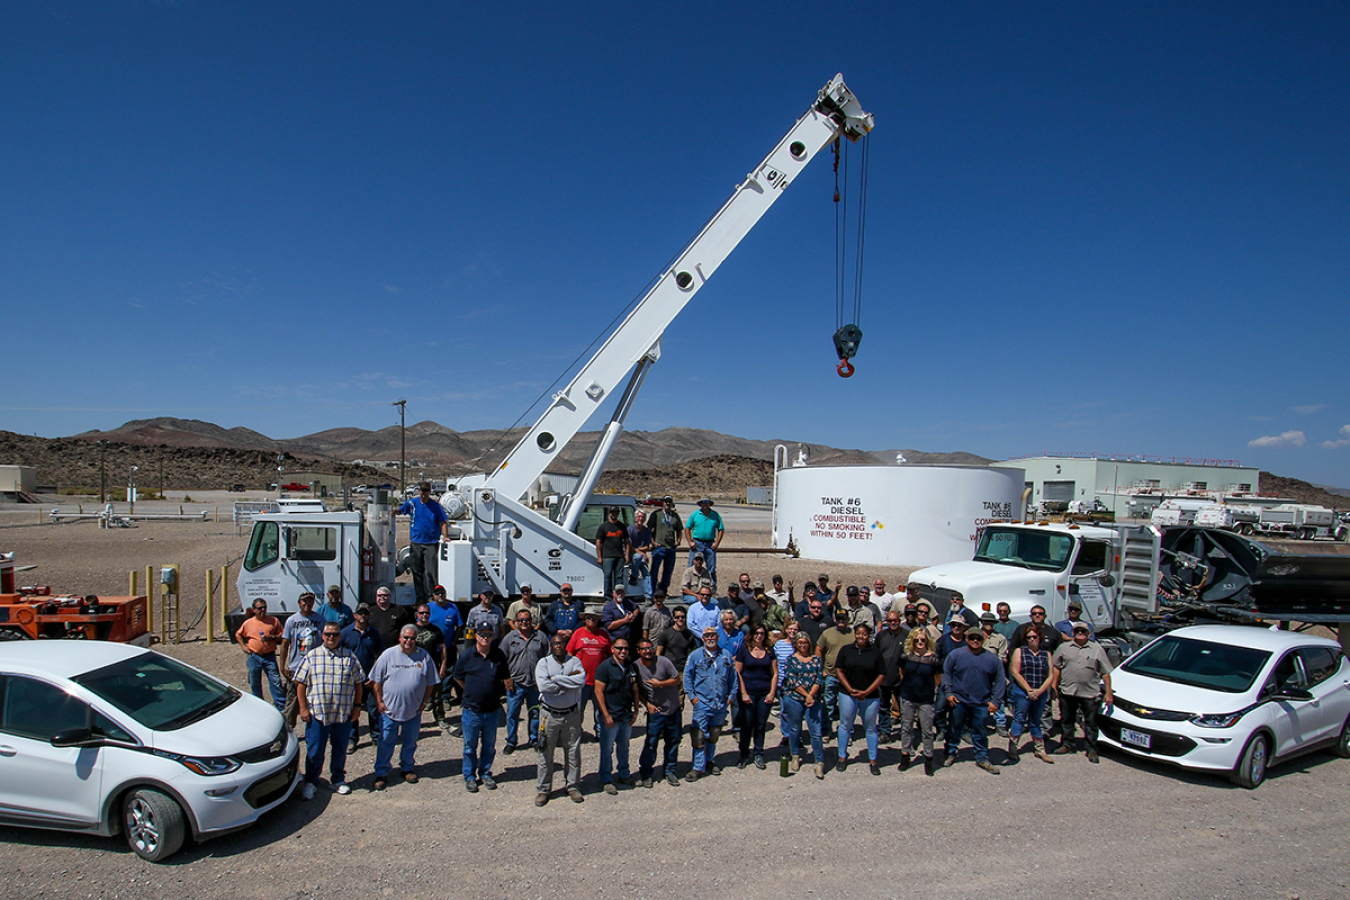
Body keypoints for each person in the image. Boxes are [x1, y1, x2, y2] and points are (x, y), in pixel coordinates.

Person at [294, 623, 365, 798]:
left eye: (334, 634)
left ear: (340, 637)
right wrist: (303, 708)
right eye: (328, 634)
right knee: (315, 750)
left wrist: (357, 707)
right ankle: (311, 782)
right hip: (318, 713)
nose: (331, 637)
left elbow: (358, 683)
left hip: (342, 713)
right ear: (322, 636)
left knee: (340, 749)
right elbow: (300, 684)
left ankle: (338, 779)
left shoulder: (349, 657)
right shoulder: (312, 656)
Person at [369, 624, 438, 790]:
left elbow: (431, 682)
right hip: (389, 711)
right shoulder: (388, 655)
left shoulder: (424, 657)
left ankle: (407, 768)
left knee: (410, 742)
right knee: (386, 742)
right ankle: (382, 773)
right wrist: (379, 701)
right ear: (400, 638)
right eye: (406, 638)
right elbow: (376, 681)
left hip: (413, 711)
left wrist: (424, 703)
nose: (409, 641)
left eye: (412, 638)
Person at [453, 627, 511, 792]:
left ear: (493, 636)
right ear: (476, 636)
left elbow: (503, 676)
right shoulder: (467, 655)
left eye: (489, 635)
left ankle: (485, 773)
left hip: (492, 710)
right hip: (472, 710)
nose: (485, 637)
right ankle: (469, 776)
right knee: (470, 746)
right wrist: (471, 689)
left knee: (489, 745)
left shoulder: (498, 655)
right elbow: (457, 677)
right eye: (482, 634)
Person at [942, 627, 1006, 774]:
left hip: (982, 702)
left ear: (983, 639)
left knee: (980, 730)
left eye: (978, 638)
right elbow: (947, 674)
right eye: (972, 638)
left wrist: (996, 701)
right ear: (967, 639)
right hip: (959, 701)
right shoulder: (956, 655)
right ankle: (950, 753)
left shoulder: (992, 659)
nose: (975, 641)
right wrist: (948, 692)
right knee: (954, 729)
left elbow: (1000, 681)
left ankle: (982, 757)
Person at [535, 633, 587, 806]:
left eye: (561, 643)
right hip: (549, 715)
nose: (558, 646)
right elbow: (543, 686)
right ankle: (544, 789)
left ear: (566, 645)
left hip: (571, 715)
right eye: (555, 643)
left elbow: (580, 680)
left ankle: (572, 786)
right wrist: (568, 682)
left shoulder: (575, 662)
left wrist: (556, 679)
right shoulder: (543, 663)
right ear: (551, 646)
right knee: (545, 752)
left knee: (573, 751)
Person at [1051, 620, 1113, 763]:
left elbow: (1105, 672)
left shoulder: (1097, 649)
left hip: (1089, 692)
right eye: (1077, 631)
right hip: (1068, 690)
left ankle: (1091, 749)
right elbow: (1057, 667)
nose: (1080, 633)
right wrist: (1054, 685)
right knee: (1067, 719)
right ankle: (1067, 744)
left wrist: (1108, 692)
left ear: (1088, 634)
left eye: (1083, 631)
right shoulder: (1064, 648)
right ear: (1072, 633)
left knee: (1090, 722)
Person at [683, 627, 734, 781]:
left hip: (720, 703)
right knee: (698, 735)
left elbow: (733, 678)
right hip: (702, 703)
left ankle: (710, 760)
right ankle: (698, 767)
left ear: (718, 637)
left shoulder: (726, 656)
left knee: (714, 734)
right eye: (706, 636)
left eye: (712, 635)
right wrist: (692, 697)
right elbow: (687, 677)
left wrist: (731, 696)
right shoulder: (695, 656)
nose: (709, 638)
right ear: (703, 638)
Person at [835, 623, 885, 775]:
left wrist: (867, 691)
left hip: (869, 696)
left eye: (864, 634)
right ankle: (842, 757)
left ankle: (873, 760)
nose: (861, 636)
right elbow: (839, 670)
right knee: (845, 725)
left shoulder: (875, 652)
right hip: (847, 694)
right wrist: (850, 689)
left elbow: (881, 675)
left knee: (870, 728)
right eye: (858, 633)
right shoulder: (846, 650)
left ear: (868, 635)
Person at [593, 639, 641, 794]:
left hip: (626, 714)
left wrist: (636, 710)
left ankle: (624, 774)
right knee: (607, 749)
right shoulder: (604, 668)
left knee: (624, 747)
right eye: (619, 648)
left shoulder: (631, 666)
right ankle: (606, 779)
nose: (623, 651)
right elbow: (598, 691)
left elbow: (634, 688)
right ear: (612, 649)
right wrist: (605, 715)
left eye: (625, 648)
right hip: (611, 716)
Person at [501, 610, 548, 756]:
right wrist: (506, 678)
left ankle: (533, 739)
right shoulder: (510, 638)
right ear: (516, 622)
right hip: (515, 683)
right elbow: (501, 659)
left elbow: (547, 659)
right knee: (512, 714)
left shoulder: (540, 637)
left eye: (526, 620)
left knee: (534, 712)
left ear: (531, 620)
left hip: (534, 684)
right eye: (520, 620)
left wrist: (541, 680)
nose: (524, 623)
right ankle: (511, 741)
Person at [636, 638, 682, 787]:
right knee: (651, 742)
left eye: (650, 648)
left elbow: (676, 680)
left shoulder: (664, 662)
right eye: (644, 649)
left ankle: (670, 771)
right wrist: (646, 704)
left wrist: (660, 684)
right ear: (638, 651)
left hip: (673, 708)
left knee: (673, 741)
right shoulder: (635, 667)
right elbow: (636, 690)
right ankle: (646, 773)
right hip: (656, 711)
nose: (648, 651)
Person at [897, 628, 942, 776]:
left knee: (927, 730)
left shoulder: (934, 659)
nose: (920, 643)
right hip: (908, 696)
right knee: (906, 727)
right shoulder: (906, 656)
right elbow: (901, 672)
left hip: (926, 699)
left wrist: (928, 689)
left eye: (923, 640)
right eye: (917, 640)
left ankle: (928, 758)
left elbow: (937, 679)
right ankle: (905, 756)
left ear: (927, 641)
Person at [1008, 626, 1056, 764]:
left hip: (1040, 692)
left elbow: (1050, 675)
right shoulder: (1020, 651)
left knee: (1036, 720)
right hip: (1023, 691)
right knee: (1019, 718)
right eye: (1029, 637)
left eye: (1035, 637)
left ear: (1040, 638)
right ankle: (1013, 748)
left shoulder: (1046, 654)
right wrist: (1029, 690)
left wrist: (1040, 691)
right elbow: (1015, 671)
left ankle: (1040, 749)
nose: (1032, 640)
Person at [781, 631, 826, 778]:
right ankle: (795, 755)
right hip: (794, 697)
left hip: (813, 699)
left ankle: (819, 762)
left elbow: (819, 678)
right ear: (796, 644)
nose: (803, 645)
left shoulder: (816, 660)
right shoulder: (791, 660)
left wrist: (811, 695)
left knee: (816, 731)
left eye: (805, 642)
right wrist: (806, 695)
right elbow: (792, 680)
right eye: (800, 642)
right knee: (795, 728)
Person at [279, 592, 326, 731]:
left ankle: (314, 728)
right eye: (304, 602)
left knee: (315, 697)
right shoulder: (292, 620)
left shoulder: (320, 620)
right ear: (299, 603)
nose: (307, 604)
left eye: (310, 602)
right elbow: (285, 643)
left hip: (315, 665)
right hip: (296, 666)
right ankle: (289, 728)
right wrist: (282, 665)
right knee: (292, 699)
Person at [397, 482, 449, 606]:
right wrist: (392, 512)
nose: (424, 493)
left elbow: (443, 522)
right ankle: (420, 598)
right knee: (417, 571)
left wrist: (445, 536)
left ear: (429, 492)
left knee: (430, 571)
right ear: (419, 491)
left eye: (426, 491)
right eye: (422, 491)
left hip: (431, 543)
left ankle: (431, 596)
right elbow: (401, 510)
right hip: (416, 542)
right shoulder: (412, 503)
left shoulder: (435, 506)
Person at [733, 625, 778, 769]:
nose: (759, 636)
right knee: (747, 725)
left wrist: (772, 693)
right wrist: (743, 693)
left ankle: (759, 753)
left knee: (761, 724)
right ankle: (744, 754)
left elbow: (775, 673)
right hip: (749, 693)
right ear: (751, 634)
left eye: (762, 633)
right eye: (756, 633)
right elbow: (738, 672)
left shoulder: (769, 651)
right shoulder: (744, 651)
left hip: (764, 693)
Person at [340, 605, 383, 752]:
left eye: (365, 613)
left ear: (369, 616)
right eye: (360, 613)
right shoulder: (345, 633)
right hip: (351, 679)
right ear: (355, 615)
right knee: (353, 709)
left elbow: (380, 656)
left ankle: (376, 736)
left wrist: (375, 676)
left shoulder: (374, 634)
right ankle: (352, 739)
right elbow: (339, 655)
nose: (363, 616)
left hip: (370, 678)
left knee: (373, 708)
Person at [565, 610, 612, 735]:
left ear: (598, 620)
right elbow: (569, 653)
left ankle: (600, 731)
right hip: (581, 679)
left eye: (594, 617)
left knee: (600, 708)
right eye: (588, 617)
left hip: (599, 679)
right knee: (579, 708)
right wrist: (570, 672)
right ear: (584, 619)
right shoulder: (578, 633)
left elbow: (611, 654)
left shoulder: (603, 634)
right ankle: (576, 731)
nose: (591, 619)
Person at [235, 597, 284, 710]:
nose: (262, 610)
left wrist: (272, 637)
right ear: (254, 610)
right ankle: (259, 706)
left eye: (264, 608)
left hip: (269, 656)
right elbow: (238, 634)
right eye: (259, 608)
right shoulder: (248, 623)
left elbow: (282, 634)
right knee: (255, 682)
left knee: (275, 681)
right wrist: (243, 646)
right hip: (254, 656)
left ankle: (281, 706)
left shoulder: (273, 621)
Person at [426, 585, 463, 722]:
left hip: (447, 646)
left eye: (442, 593)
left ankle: (445, 698)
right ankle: (430, 699)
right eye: (437, 593)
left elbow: (459, 625)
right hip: (431, 648)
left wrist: (454, 640)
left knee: (448, 672)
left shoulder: (452, 608)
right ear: (433, 595)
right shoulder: (428, 608)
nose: (440, 595)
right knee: (430, 673)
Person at [875, 609, 909, 742]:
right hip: (884, 678)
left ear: (899, 621)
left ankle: (907, 734)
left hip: (901, 679)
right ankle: (885, 732)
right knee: (883, 707)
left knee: (905, 709)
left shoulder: (906, 635)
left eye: (895, 620)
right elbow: (876, 654)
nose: (892, 623)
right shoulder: (881, 635)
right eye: (889, 621)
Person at [816, 609, 854, 726]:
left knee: (847, 706)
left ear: (848, 620)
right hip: (830, 674)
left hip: (848, 676)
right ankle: (827, 730)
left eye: (843, 618)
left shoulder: (853, 633)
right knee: (828, 705)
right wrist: (822, 669)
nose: (841, 621)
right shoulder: (827, 633)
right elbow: (819, 649)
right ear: (834, 619)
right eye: (839, 618)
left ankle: (847, 731)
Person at [979, 611, 1011, 738]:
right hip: (977, 673)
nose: (988, 624)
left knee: (999, 699)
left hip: (994, 673)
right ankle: (982, 723)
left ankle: (1001, 724)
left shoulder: (1000, 638)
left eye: (991, 622)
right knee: (980, 699)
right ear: (982, 622)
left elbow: (1002, 657)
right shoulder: (974, 635)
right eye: (986, 622)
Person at [685, 498, 725, 588]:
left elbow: (721, 529)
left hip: (710, 544)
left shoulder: (715, 515)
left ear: (710, 504)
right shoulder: (695, 515)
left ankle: (712, 588)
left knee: (711, 567)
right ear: (700, 504)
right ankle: (689, 587)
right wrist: (690, 541)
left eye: (707, 502)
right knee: (692, 566)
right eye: (703, 502)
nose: (705, 504)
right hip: (697, 543)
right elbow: (687, 528)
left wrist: (717, 543)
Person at [648, 496, 684, 595]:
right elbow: (649, 529)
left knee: (668, 571)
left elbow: (680, 530)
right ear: (663, 503)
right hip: (659, 547)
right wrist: (653, 542)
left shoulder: (675, 516)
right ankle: (652, 591)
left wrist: (678, 541)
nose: (667, 504)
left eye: (669, 502)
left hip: (670, 548)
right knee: (654, 571)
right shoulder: (656, 514)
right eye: (666, 502)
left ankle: (663, 590)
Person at [595, 506, 632, 598]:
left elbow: (627, 542)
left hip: (619, 556)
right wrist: (599, 557)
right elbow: (598, 542)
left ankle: (618, 596)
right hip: (607, 556)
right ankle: (607, 597)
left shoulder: (622, 526)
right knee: (607, 577)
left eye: (616, 512)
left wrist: (627, 555)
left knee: (619, 578)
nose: (614, 514)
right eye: (612, 512)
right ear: (609, 513)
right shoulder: (603, 527)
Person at [367, 585, 413, 650]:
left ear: (390, 597)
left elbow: (408, 627)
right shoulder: (370, 611)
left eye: (385, 595)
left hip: (394, 648)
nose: (382, 597)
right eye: (379, 595)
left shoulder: (399, 610)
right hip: (374, 647)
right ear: (376, 597)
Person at [654, 605, 698, 674]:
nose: (680, 619)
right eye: (677, 617)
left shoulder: (689, 634)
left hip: (684, 669)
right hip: (668, 668)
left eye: (682, 617)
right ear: (674, 618)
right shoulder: (666, 633)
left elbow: (693, 653)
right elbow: (658, 653)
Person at [627, 509, 654, 590]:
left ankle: (648, 595)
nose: (640, 519)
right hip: (631, 554)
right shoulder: (630, 529)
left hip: (641, 555)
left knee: (646, 573)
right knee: (638, 557)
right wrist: (641, 553)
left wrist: (640, 551)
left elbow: (647, 546)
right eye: (639, 517)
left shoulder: (647, 531)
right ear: (635, 518)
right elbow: (629, 546)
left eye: (642, 517)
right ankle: (634, 576)